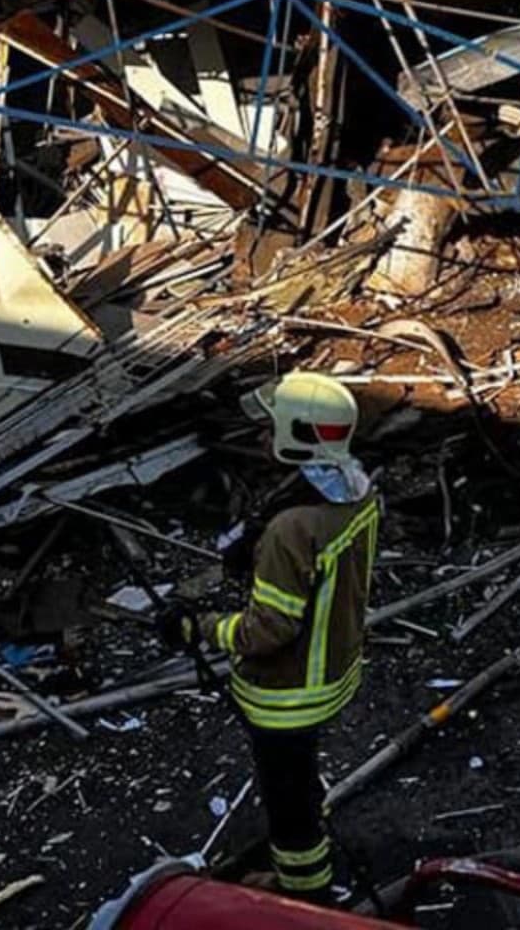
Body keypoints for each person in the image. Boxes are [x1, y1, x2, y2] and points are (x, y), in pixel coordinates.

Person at [159, 371, 379, 899]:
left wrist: (199, 628)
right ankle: (303, 858)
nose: (260, 437)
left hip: (287, 696)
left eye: (269, 428)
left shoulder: (292, 531)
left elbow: (268, 630)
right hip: (335, 672)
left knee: (288, 801)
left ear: (296, 437)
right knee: (298, 783)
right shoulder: (361, 497)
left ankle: (305, 889)